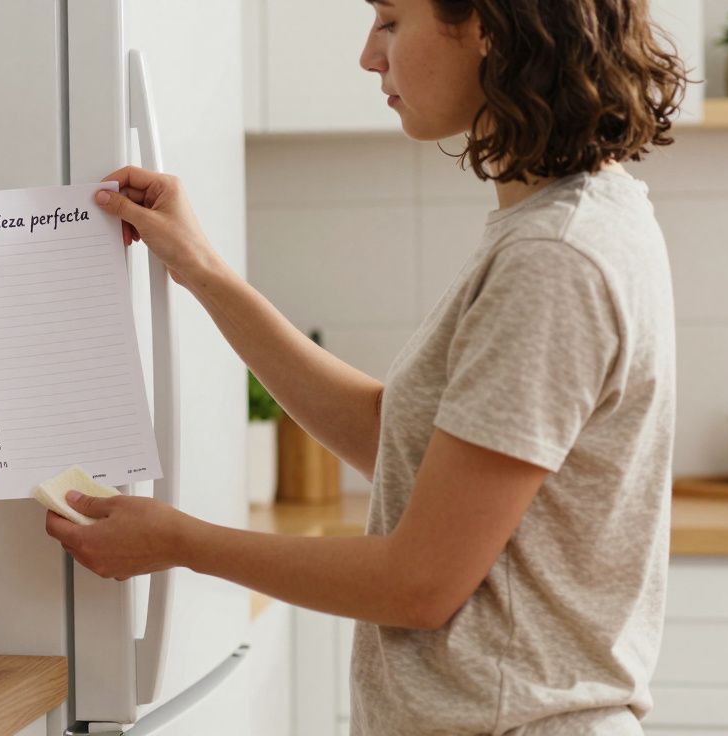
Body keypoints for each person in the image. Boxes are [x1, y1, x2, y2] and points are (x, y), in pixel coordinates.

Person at [43, 0, 689, 732]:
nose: (368, 55)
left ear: (487, 26)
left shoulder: (555, 257)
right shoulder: (563, 223)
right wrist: (202, 271)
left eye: (389, 19)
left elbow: (419, 583)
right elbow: (397, 438)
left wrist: (181, 543)